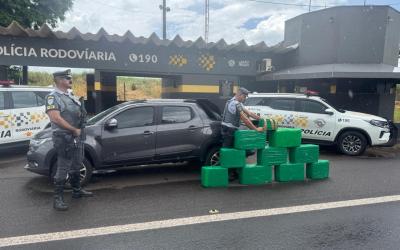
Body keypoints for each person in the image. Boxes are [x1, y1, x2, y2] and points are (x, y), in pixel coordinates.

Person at [45, 69, 93, 211]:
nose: (70, 80)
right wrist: (73, 129)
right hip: (64, 137)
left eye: (70, 78)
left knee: (77, 164)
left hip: (77, 136)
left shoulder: (70, 96)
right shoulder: (53, 97)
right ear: (59, 80)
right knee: (63, 167)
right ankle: (57, 199)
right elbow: (55, 118)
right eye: (67, 78)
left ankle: (77, 191)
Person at [221, 87, 265, 180]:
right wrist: (256, 129)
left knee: (235, 152)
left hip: (229, 129)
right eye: (244, 97)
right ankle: (228, 174)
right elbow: (245, 119)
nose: (245, 99)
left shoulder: (235, 102)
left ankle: (234, 172)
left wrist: (261, 119)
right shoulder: (235, 104)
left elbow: (249, 113)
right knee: (230, 153)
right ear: (240, 95)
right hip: (229, 131)